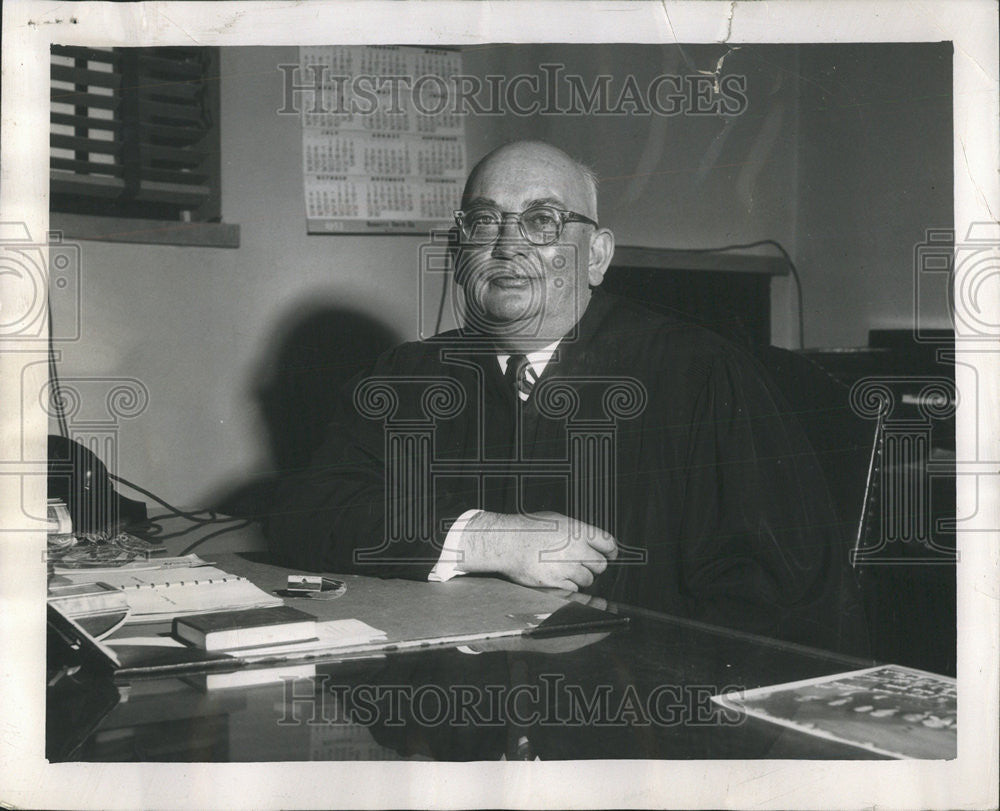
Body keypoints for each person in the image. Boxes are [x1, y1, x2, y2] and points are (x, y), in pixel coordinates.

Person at [267, 140, 868, 655]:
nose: (508, 246)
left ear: (598, 256)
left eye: (543, 220)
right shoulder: (409, 377)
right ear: (458, 253)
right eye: (483, 222)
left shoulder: (701, 376)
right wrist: (487, 537)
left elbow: (781, 600)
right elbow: (309, 513)